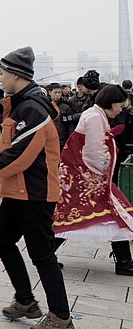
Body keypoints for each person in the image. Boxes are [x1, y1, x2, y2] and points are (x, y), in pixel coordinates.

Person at [0, 47, 73, 329]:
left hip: (34, 193)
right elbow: (11, 147)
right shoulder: (22, 103)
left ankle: (61, 317)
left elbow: (22, 154)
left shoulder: (32, 107)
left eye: (2, 73)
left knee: (42, 254)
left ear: (16, 74)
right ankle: (25, 300)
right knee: (1, 239)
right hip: (18, 192)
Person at [54, 84, 133, 275]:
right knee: (109, 213)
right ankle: (124, 262)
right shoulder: (95, 118)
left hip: (82, 177)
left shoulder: (94, 114)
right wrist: (104, 172)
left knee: (108, 214)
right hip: (88, 178)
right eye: (120, 106)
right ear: (111, 103)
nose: (120, 110)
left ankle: (124, 260)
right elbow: (93, 153)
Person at [48, 83, 75, 150]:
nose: (57, 95)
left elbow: (70, 125)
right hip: (49, 139)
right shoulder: (46, 106)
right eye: (55, 92)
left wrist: (70, 138)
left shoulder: (66, 107)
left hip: (62, 140)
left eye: (59, 92)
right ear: (49, 93)